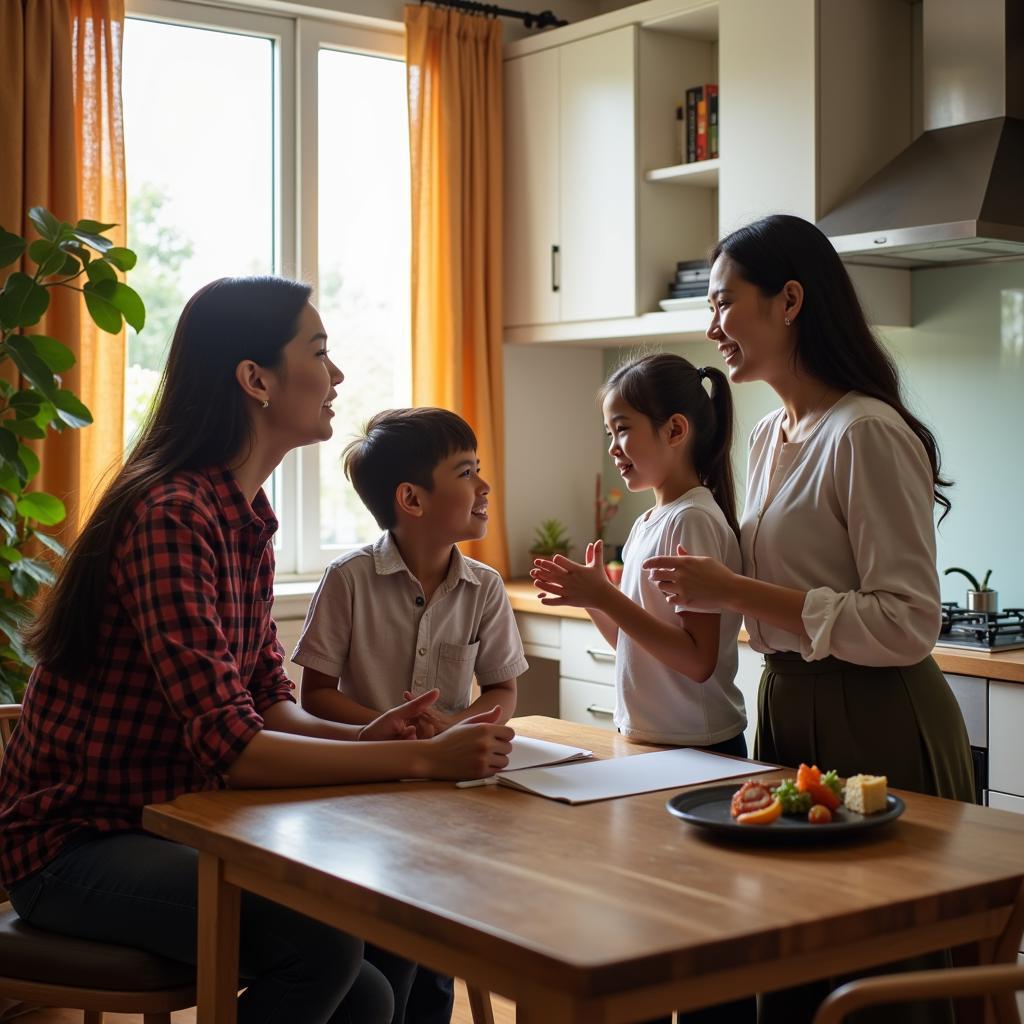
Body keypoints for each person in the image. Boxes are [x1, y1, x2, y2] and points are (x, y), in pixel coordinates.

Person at [0, 276, 514, 1024]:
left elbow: (267, 698)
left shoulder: (245, 514)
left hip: (171, 816)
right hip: (76, 845)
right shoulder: (172, 515)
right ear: (255, 380)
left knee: (366, 989)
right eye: (319, 352)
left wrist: (365, 735)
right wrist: (414, 758)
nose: (337, 376)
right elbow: (232, 745)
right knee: (324, 940)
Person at [643, 215, 974, 1024]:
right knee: (791, 958)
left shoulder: (867, 431)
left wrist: (735, 591)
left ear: (789, 301)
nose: (711, 324)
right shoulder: (768, 436)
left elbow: (908, 622)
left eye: (725, 303)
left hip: (879, 717)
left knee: (880, 978)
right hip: (787, 706)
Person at [531, 351, 755, 1024]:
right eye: (610, 433)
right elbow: (638, 643)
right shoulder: (653, 520)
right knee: (652, 931)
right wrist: (594, 602)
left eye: (624, 428)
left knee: (704, 949)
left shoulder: (693, 520)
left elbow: (694, 658)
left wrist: (608, 595)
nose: (615, 448)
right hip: (653, 753)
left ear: (676, 430)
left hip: (702, 755)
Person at [293, 405, 528, 1024]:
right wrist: (384, 727)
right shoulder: (348, 579)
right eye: (466, 472)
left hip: (452, 797)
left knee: (436, 952)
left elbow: (503, 689)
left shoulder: (486, 587)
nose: (484, 487)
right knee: (385, 944)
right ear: (412, 499)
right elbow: (314, 694)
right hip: (364, 796)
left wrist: (456, 727)